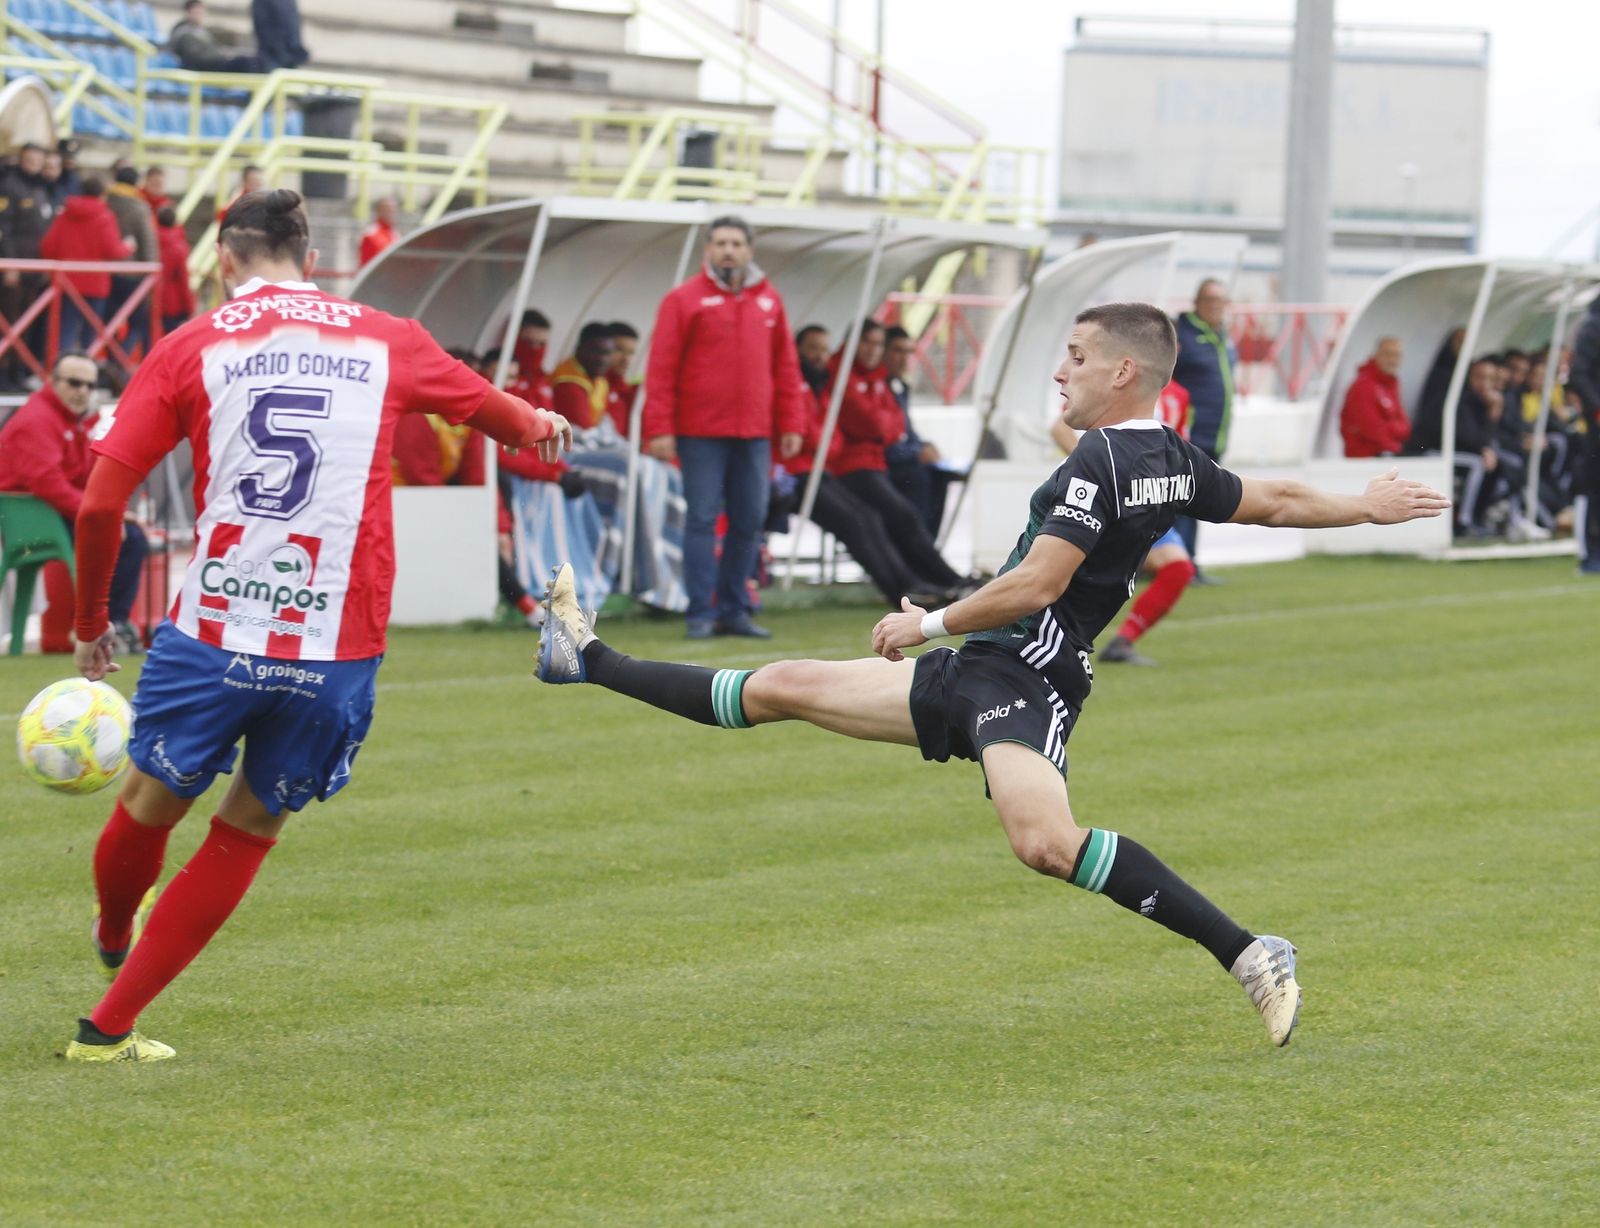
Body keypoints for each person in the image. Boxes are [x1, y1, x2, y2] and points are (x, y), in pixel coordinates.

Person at [535, 301, 1451, 1049]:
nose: (1063, 370)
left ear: (1122, 371)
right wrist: (1363, 508)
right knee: (783, 686)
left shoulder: (1107, 456)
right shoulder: (1166, 455)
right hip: (983, 670)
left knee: (1045, 844)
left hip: (1026, 676)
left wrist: (922, 621)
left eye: (1078, 355)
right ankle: (585, 656)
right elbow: (1275, 498)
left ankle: (1251, 951)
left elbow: (1037, 584)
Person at [60, 188, 572, 1062]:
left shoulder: (190, 345)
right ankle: (107, 1031)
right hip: (335, 641)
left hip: (214, 626)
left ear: (224, 260)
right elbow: (503, 419)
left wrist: (90, 621)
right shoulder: (389, 337)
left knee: (148, 803)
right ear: (312, 255)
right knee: (247, 830)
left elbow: (104, 499)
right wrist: (539, 422)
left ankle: (115, 929)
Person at [643, 215, 804, 638]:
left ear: (749, 250)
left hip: (754, 432)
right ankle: (699, 612)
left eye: (736, 243)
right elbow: (660, 370)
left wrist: (791, 421)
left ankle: (734, 610)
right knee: (700, 520)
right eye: (720, 243)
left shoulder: (769, 300)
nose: (729, 250)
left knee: (749, 520)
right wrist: (659, 429)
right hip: (700, 432)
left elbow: (785, 366)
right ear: (707, 251)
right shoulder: (682, 300)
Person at [779, 324, 950, 607]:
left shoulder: (826, 383)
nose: (819, 355)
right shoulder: (818, 381)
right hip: (803, 472)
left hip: (827, 467)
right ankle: (909, 589)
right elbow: (853, 428)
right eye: (812, 348)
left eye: (823, 348)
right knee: (865, 520)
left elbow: (845, 435)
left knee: (884, 512)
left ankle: (921, 583)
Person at [0, 353, 148, 651]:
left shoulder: (72, 421)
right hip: (30, 520)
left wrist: (113, 511)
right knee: (126, 538)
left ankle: (112, 624)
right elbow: (48, 484)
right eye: (74, 383)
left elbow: (87, 478)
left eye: (90, 385)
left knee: (132, 536)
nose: (82, 391)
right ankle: (102, 626)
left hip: (52, 515)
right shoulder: (38, 419)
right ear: (52, 383)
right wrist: (102, 514)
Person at [827, 319, 968, 598]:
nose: (872, 350)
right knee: (893, 513)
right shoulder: (844, 375)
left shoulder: (880, 380)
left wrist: (911, 444)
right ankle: (922, 582)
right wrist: (909, 447)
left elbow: (895, 428)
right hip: (852, 465)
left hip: (873, 462)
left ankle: (930, 577)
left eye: (877, 344)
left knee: (929, 486)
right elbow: (875, 426)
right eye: (867, 342)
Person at [1079, 379, 1199, 666]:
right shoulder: (1117, 388)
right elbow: (1061, 427)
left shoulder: (1180, 395)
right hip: (1100, 499)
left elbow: (1179, 449)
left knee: (1179, 569)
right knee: (1062, 576)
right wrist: (1093, 466)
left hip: (1146, 503)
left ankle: (1122, 642)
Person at [1170, 279, 1237, 580]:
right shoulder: (1183, 335)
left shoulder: (1221, 336)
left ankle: (1187, 563)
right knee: (1182, 500)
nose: (1216, 306)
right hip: (1189, 434)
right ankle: (1178, 564)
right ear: (1196, 302)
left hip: (1215, 434)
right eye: (1210, 300)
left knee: (1195, 501)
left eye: (1221, 300)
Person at [40, 176, 132, 354]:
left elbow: (48, 246)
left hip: (66, 281)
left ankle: (60, 374)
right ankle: (85, 374)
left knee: (64, 330)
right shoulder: (105, 216)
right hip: (95, 283)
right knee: (90, 336)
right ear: (102, 194)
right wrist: (128, 247)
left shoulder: (66, 214)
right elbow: (113, 250)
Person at [883, 324, 960, 536]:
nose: (904, 358)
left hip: (900, 457)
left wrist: (924, 446)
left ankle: (927, 545)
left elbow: (907, 431)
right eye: (898, 350)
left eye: (909, 352)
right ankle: (914, 547)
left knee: (940, 474)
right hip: (884, 463)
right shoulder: (876, 387)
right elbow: (882, 441)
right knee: (918, 475)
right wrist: (916, 453)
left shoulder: (899, 388)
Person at [0, 142, 55, 388]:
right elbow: (5, 229)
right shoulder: (10, 186)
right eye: (30, 158)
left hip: (35, 268)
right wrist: (9, 263)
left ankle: (19, 371)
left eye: (38, 159)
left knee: (26, 322)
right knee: (11, 321)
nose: (34, 163)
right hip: (15, 267)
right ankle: (5, 372)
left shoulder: (41, 188)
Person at [105, 166, 159, 357]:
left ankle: (111, 360)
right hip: (132, 272)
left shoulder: (105, 201)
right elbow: (147, 240)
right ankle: (120, 360)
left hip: (105, 271)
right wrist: (152, 270)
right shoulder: (138, 206)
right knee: (138, 322)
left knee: (109, 322)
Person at [1566, 296, 1600, 574]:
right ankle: (1590, 554)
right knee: (1595, 486)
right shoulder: (1592, 325)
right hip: (1598, 424)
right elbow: (1578, 374)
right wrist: (1597, 410)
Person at [1340, 336, 1411, 458]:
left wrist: (1390, 428)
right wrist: (1394, 440)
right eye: (1388, 354)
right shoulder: (1363, 386)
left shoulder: (1391, 384)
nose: (1392, 360)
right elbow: (1371, 428)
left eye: (1397, 356)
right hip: (1365, 458)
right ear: (1376, 355)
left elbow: (1405, 427)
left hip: (1383, 454)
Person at [169, 0, 266, 72]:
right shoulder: (185, 33)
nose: (200, 15)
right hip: (206, 68)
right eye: (196, 12)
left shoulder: (200, 31)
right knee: (247, 63)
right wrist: (222, 56)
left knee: (252, 61)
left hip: (213, 64)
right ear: (188, 13)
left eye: (201, 12)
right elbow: (197, 58)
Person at [550, 322, 614, 430]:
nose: (602, 360)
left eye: (607, 353)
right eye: (595, 351)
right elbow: (582, 431)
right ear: (579, 348)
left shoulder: (599, 380)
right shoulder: (568, 382)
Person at [155, 206, 195, 334]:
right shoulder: (178, 248)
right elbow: (183, 280)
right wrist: (190, 306)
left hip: (151, 297)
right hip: (173, 302)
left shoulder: (151, 240)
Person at [603, 321, 640, 436]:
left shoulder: (627, 391)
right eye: (619, 350)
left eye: (631, 352)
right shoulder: (591, 386)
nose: (626, 359)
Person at [251, 0, 309, 70]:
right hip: (271, 59)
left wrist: (298, 51)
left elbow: (294, 26)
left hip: (290, 58)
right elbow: (264, 31)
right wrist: (282, 54)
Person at [357, 197, 398, 268]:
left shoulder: (395, 233)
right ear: (378, 211)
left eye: (393, 210)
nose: (391, 213)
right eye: (387, 209)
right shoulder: (371, 233)